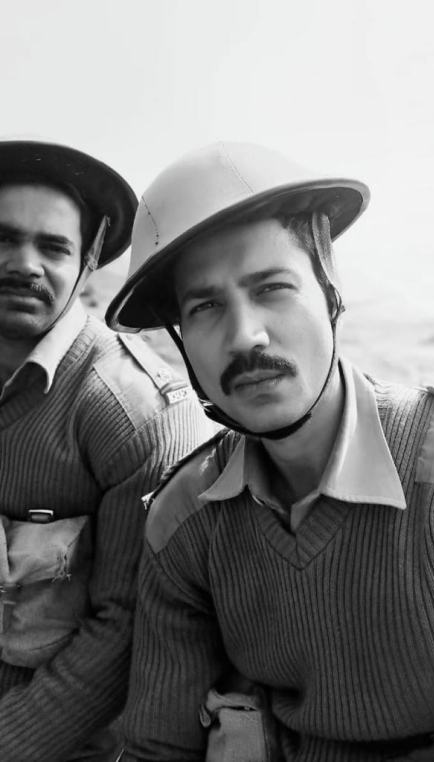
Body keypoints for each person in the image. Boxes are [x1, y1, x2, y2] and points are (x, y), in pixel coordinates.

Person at [106, 141, 434, 761]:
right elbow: (159, 744)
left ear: (330, 290)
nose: (246, 336)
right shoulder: (184, 519)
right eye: (206, 307)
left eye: (272, 288)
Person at [0, 139, 211, 762]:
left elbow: (125, 631)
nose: (24, 264)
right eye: (3, 239)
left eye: (53, 247)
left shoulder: (133, 412)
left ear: (88, 260)